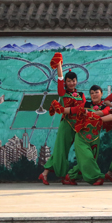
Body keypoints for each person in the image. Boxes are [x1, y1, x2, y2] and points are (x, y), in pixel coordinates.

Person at [39, 53, 85, 185]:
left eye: (73, 80)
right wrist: (59, 65)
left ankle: (45, 173)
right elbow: (60, 78)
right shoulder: (63, 92)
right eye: (69, 81)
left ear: (76, 81)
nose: (71, 83)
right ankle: (64, 176)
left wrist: (69, 110)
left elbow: (83, 108)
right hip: (67, 124)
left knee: (71, 150)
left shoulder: (81, 94)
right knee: (61, 150)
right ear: (66, 82)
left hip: (78, 126)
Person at [64, 85, 110, 186]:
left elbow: (103, 113)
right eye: (92, 93)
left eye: (96, 92)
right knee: (87, 158)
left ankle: (71, 176)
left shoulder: (105, 107)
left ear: (101, 93)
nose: (94, 95)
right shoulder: (85, 105)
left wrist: (90, 114)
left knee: (90, 160)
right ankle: (97, 177)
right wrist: (60, 109)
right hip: (81, 137)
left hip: (95, 138)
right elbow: (72, 110)